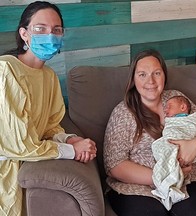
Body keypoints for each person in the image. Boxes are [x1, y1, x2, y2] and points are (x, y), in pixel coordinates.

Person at [0, 1, 97, 215]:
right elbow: (19, 144)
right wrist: (71, 151)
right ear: (24, 34)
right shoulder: (6, 71)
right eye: (40, 29)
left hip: (28, 167)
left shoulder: (49, 76)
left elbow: (50, 126)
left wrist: (71, 139)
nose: (50, 35)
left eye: (56, 30)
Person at [103, 49, 196, 216]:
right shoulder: (123, 113)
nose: (151, 81)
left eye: (157, 73)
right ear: (133, 79)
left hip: (185, 181)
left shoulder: (177, 99)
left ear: (164, 75)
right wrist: (163, 177)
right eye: (142, 74)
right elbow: (114, 165)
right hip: (138, 187)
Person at [151, 95, 196, 210]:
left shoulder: (189, 120)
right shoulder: (124, 110)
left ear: (183, 107)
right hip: (141, 186)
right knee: (159, 146)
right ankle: (169, 183)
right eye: (142, 75)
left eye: (169, 106)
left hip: (187, 150)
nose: (166, 109)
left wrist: (194, 145)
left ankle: (169, 185)